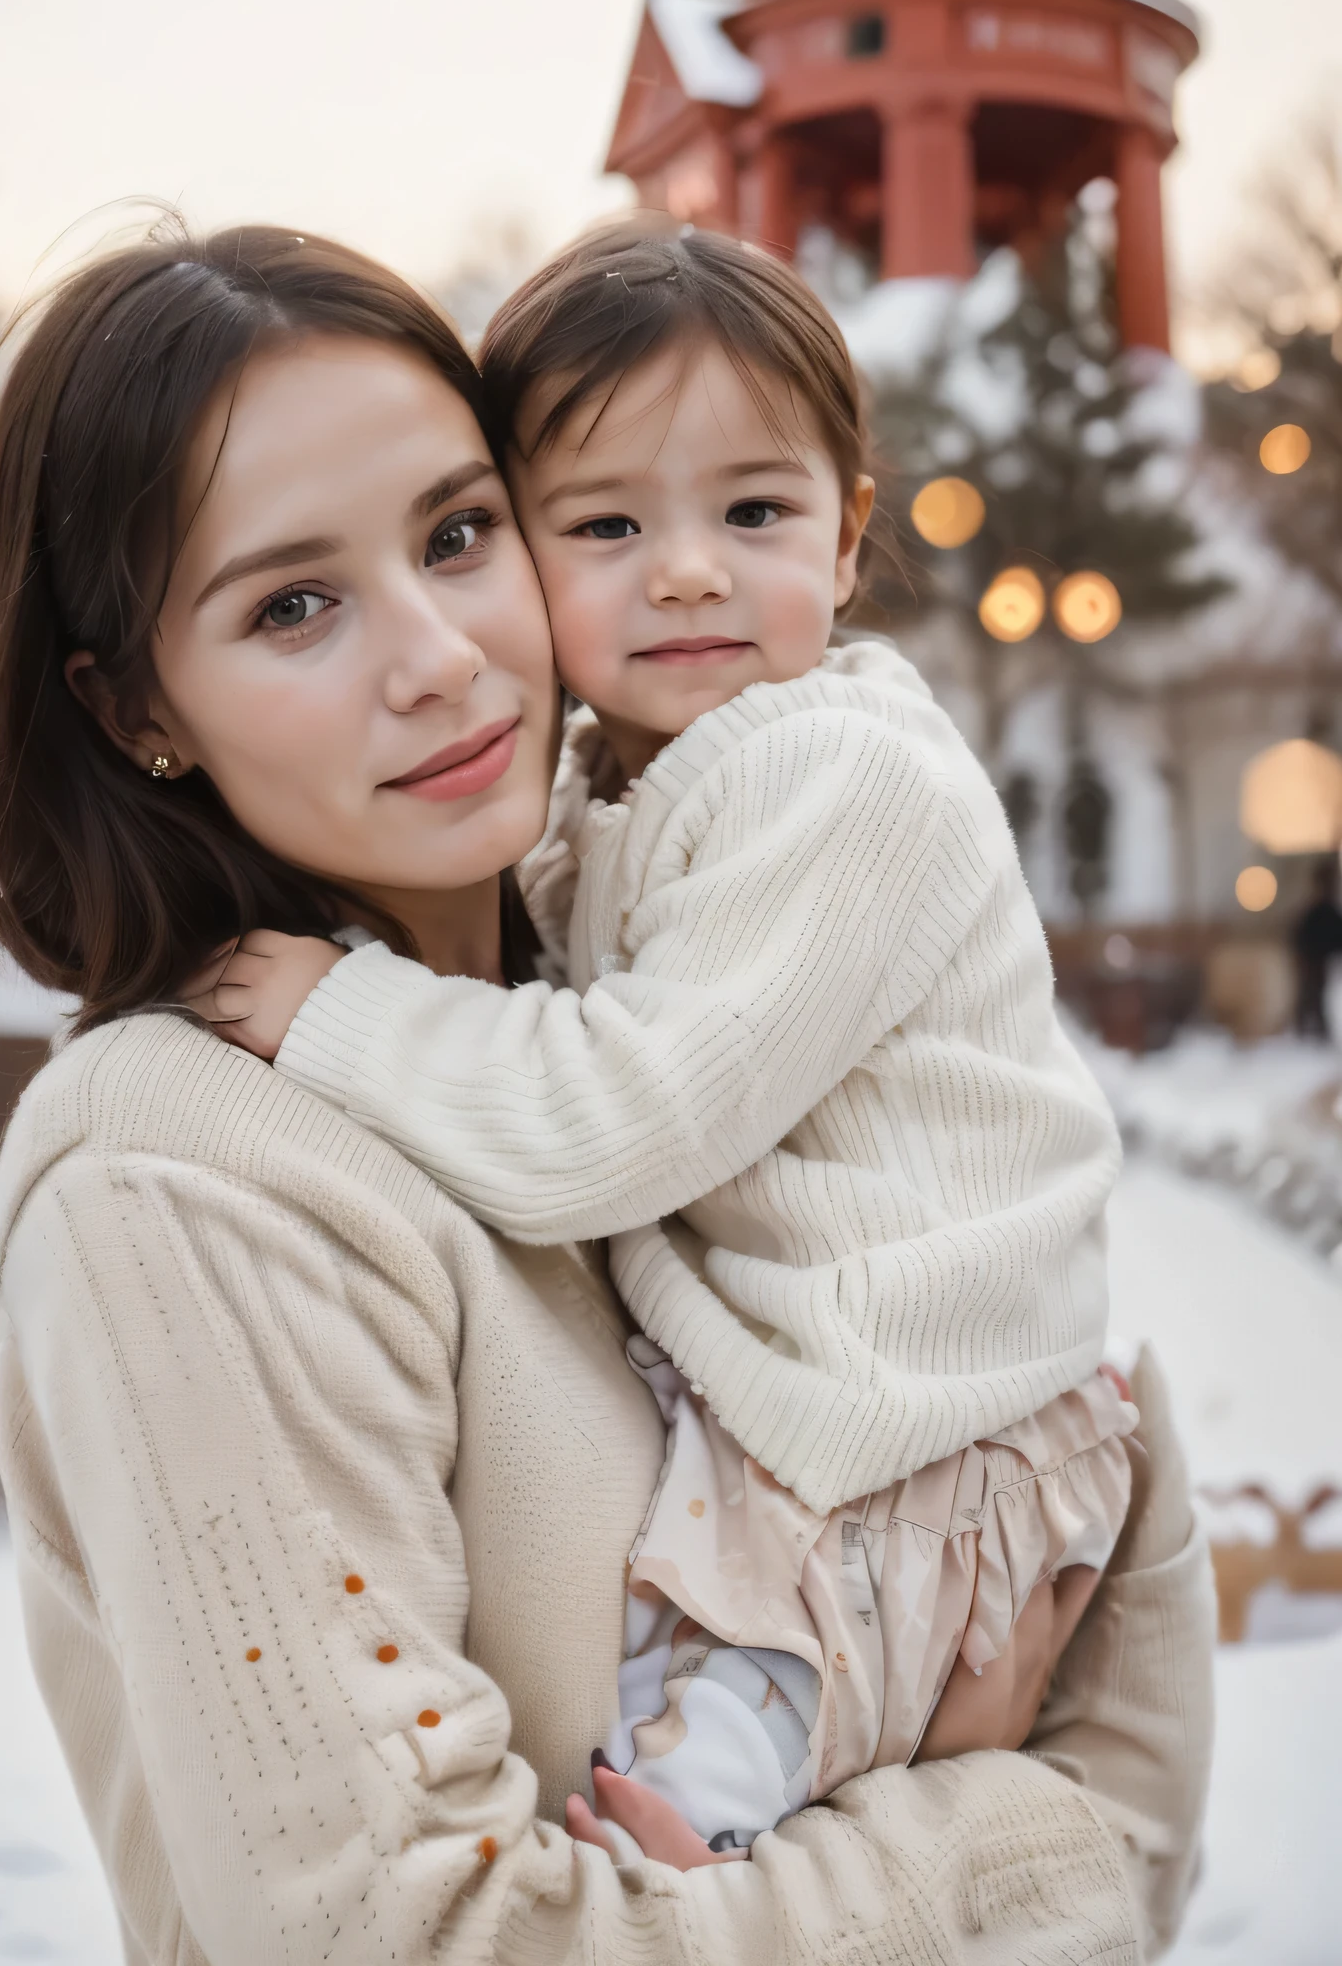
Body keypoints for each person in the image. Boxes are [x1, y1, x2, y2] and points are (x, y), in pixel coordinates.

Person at [0, 222, 1213, 1963]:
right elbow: (404, 1940)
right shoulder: (184, 1186)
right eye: (291, 603)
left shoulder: (622, 1003)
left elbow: (1114, 1632)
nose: (442, 655)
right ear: (134, 704)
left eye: (459, 534)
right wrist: (1009, 1838)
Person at [197, 224, 1134, 1857]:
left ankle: (699, 1866)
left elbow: (613, 1114)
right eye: (608, 522)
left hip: (911, 1442)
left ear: (846, 541)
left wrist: (338, 1008)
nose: (688, 567)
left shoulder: (840, 780)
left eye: (753, 512)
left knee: (706, 1789)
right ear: (516, 548)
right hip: (826, 1423)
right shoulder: (610, 789)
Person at [1291, 854, 1342, 1040]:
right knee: (1311, 995)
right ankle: (1310, 1030)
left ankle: (1319, 1030)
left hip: (1325, 961)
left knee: (1321, 997)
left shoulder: (1326, 911)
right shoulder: (1316, 911)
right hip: (1314, 960)